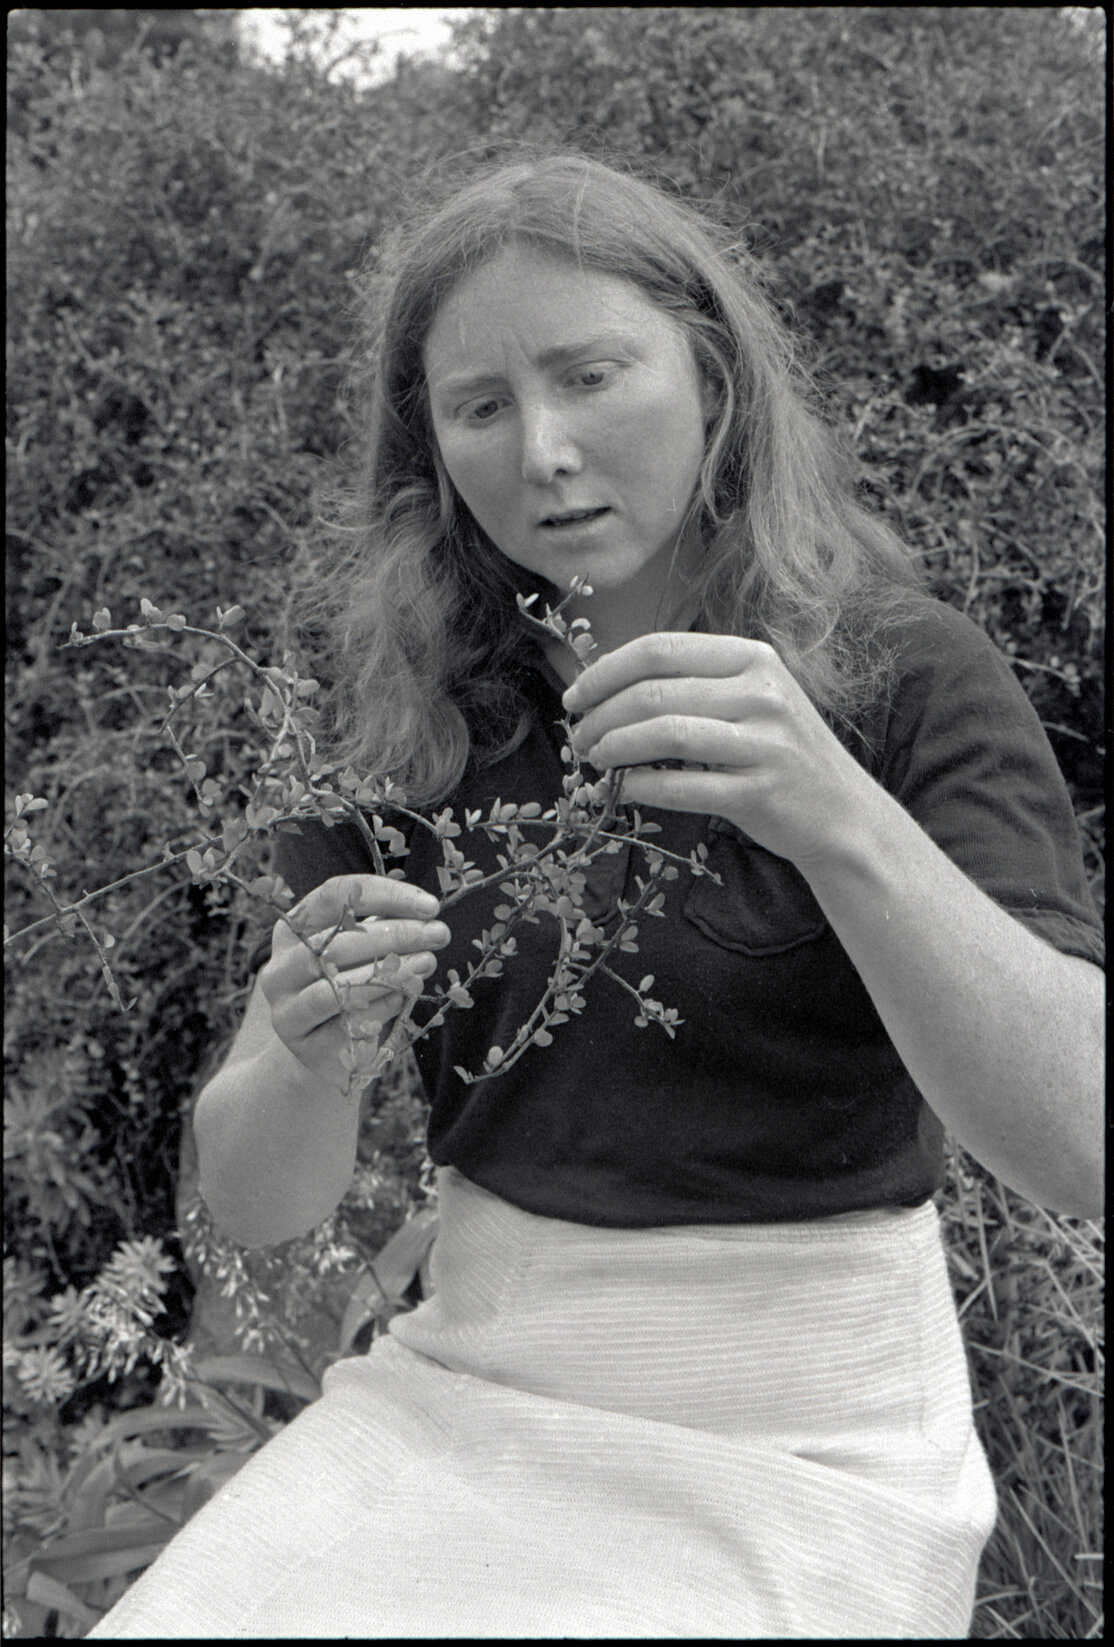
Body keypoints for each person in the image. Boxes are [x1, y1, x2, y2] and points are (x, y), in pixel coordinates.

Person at [89, 149, 1103, 1640]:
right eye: (481, 407)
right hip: (471, 1392)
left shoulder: (901, 677)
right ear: (429, 443)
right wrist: (302, 1055)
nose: (545, 451)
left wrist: (839, 821)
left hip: (808, 1433)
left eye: (592, 375)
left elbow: (1080, 1144)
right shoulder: (402, 722)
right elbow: (256, 1208)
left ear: (710, 373)